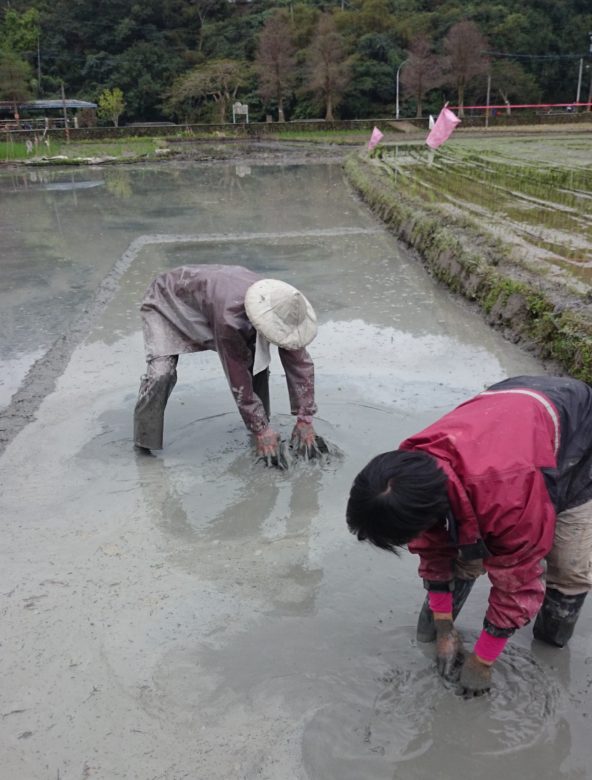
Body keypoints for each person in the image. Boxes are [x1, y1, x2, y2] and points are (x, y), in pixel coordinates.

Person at [346, 375, 592, 695]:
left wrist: (483, 661)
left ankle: (551, 642)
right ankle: (442, 623)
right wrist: (445, 628)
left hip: (575, 434)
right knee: (464, 554)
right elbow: (433, 547)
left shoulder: (509, 500)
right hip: (506, 420)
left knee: (568, 566)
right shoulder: (408, 475)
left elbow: (517, 583)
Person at [134, 264, 320, 464]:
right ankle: (145, 441)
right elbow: (237, 376)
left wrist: (305, 418)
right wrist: (260, 429)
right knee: (161, 373)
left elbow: (300, 363)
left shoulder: (286, 306)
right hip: (167, 300)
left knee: (256, 355)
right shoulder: (231, 320)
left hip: (212, 301)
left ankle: (263, 421)